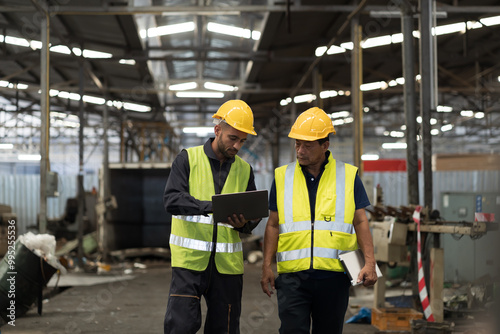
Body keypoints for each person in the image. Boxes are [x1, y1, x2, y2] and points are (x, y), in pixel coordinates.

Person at [260, 107, 378, 334]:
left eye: (307, 145)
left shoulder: (348, 176)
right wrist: (266, 266)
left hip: (334, 277)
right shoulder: (282, 177)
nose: (300, 150)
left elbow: (360, 221)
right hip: (293, 278)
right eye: (297, 144)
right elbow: (273, 224)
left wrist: (369, 263)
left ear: (325, 145)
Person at [163, 100, 261, 334]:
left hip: (227, 268)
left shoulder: (245, 170)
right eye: (232, 138)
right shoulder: (188, 159)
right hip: (189, 264)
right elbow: (172, 200)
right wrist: (212, 207)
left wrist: (245, 223)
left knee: (224, 329)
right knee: (181, 327)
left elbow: (252, 216)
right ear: (218, 130)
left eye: (243, 141)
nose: (237, 146)